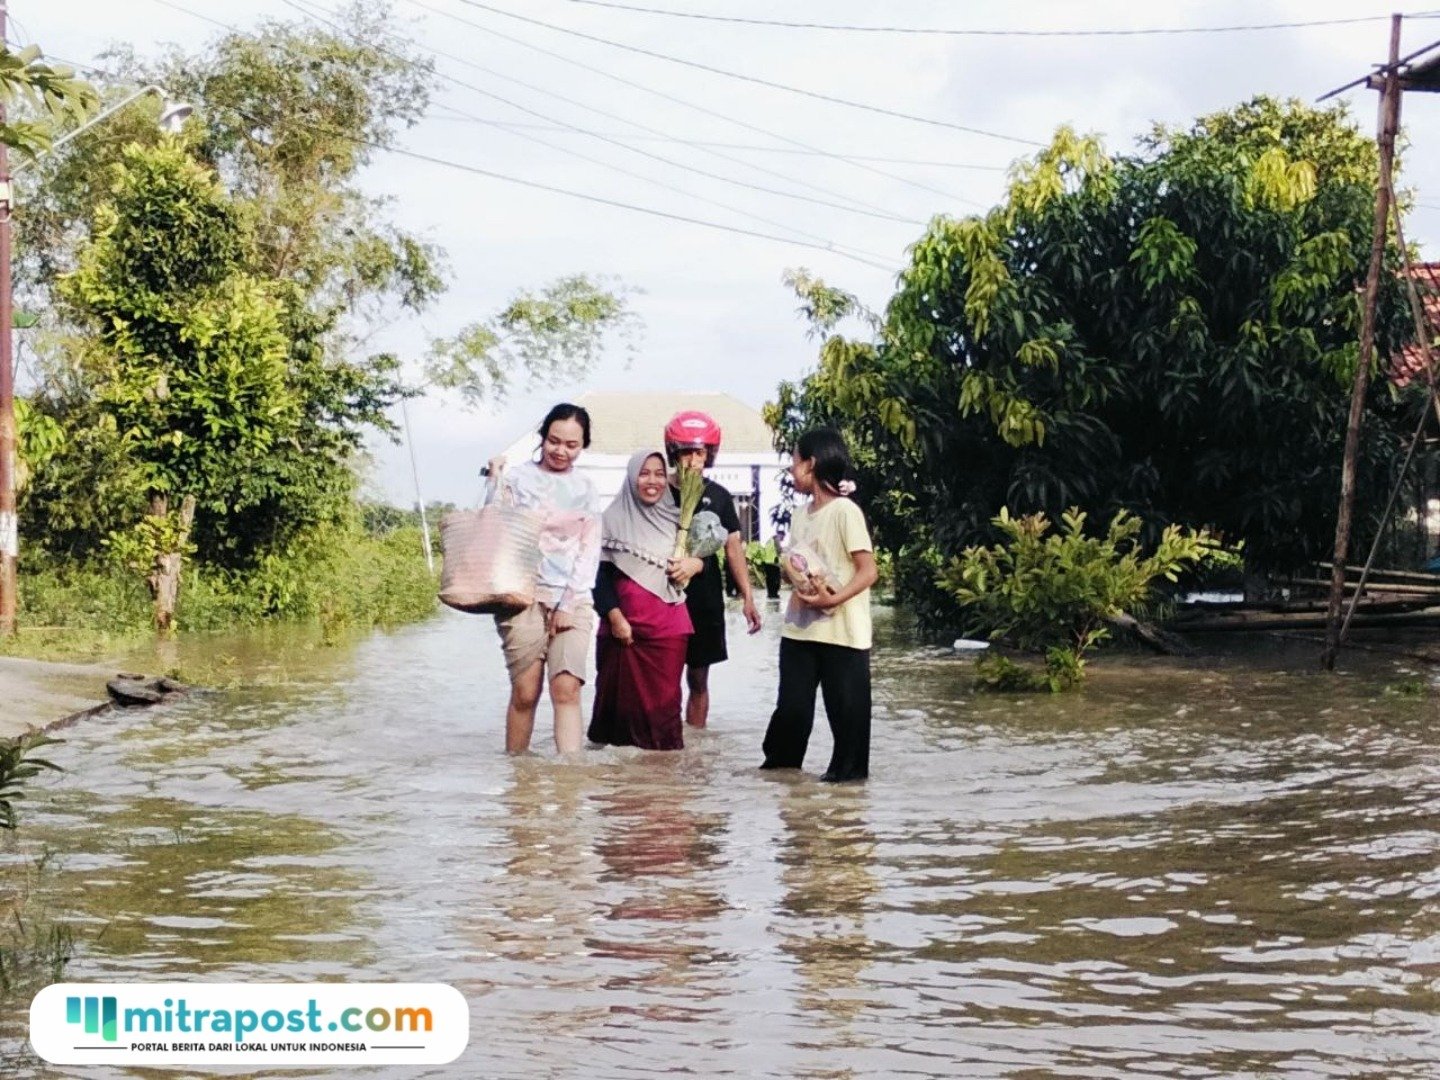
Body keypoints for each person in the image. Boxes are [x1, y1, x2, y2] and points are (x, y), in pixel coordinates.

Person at [760, 428, 878, 782]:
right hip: (799, 629)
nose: (791, 470)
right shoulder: (800, 514)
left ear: (810, 464)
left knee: (849, 726)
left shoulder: (845, 511)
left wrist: (834, 598)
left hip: (843, 634)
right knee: (791, 713)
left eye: (794, 462)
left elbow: (868, 570)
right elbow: (802, 562)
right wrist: (791, 576)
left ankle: (847, 800)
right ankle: (782, 785)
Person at [485, 403, 601, 755]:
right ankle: (520, 782)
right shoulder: (518, 478)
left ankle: (569, 785)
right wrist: (495, 479)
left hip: (574, 599)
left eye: (571, 445)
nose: (561, 451)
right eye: (554, 441)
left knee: (567, 689)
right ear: (542, 437)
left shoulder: (585, 488)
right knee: (526, 692)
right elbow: (493, 522)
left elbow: (589, 548)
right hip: (521, 597)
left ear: (583, 446)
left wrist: (567, 603)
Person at [662, 410, 762, 730]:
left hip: (703, 598)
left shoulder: (718, 496)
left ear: (710, 455)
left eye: (700, 452)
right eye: (686, 452)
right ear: (673, 454)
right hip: (662, 593)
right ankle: (662, 745)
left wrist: (748, 597)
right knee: (663, 678)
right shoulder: (657, 491)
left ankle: (695, 744)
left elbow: (733, 547)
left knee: (698, 679)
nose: (693, 460)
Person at [588, 450, 694, 751]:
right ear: (632, 477)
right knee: (616, 718)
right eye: (644, 473)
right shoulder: (610, 520)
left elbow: (703, 563)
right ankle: (622, 793)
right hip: (622, 632)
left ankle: (662, 790)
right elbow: (598, 576)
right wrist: (615, 617)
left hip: (668, 631)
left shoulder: (680, 520)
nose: (652, 481)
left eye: (659, 473)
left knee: (664, 715)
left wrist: (695, 564)